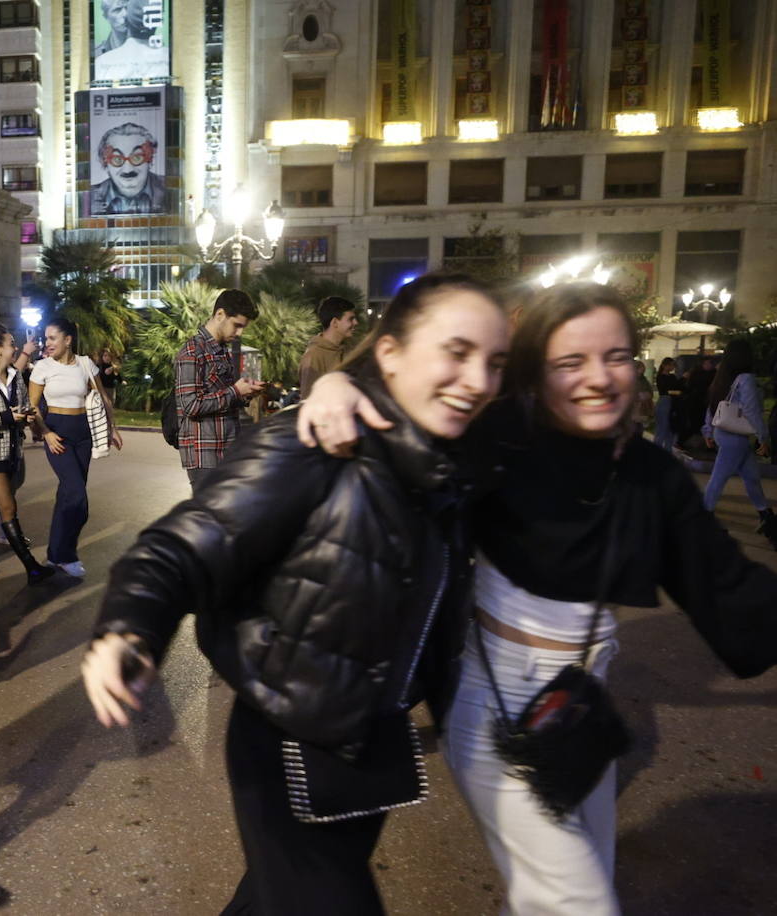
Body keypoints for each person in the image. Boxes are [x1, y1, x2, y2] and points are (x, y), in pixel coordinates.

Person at [297, 281, 777, 915]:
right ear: (537, 372)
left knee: (572, 890)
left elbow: (732, 592)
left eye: (616, 357)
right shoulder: (498, 435)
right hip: (490, 698)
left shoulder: (649, 472)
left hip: (579, 705)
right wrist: (337, 386)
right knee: (577, 902)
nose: (598, 378)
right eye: (569, 362)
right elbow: (406, 404)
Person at [84, 274, 512, 914]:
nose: (477, 379)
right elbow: (180, 547)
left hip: (369, 741)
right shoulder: (313, 440)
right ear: (389, 352)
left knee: (269, 900)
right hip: (288, 741)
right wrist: (129, 628)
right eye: (455, 352)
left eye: (494, 362)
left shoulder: (448, 463)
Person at [28, 315, 123, 578]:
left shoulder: (85, 364)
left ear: (67, 340)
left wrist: (111, 428)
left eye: (52, 338)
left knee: (67, 495)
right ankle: (66, 554)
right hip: (57, 433)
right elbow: (33, 406)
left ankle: (56, 555)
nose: (47, 343)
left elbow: (102, 397)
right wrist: (45, 433)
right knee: (77, 496)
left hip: (84, 434)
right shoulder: (43, 367)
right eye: (46, 338)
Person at [0, 323, 56, 584]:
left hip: (11, 449)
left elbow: (26, 406)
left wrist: (27, 418)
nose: (15, 348)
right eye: (11, 344)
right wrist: (7, 416)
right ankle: (32, 569)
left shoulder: (16, 376)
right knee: (8, 506)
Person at [172, 289, 264, 493]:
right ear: (220, 315)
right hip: (206, 456)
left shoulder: (221, 351)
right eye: (237, 325)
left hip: (227, 450)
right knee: (209, 520)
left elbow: (222, 399)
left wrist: (245, 393)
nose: (239, 333)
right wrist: (234, 391)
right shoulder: (192, 352)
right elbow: (190, 405)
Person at [701, 337, 777, 548]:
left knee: (751, 478)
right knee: (718, 480)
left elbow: (712, 406)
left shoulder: (722, 377)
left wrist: (708, 429)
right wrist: (763, 437)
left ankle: (765, 516)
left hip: (723, 433)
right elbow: (752, 411)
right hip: (735, 438)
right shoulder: (746, 379)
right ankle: (700, 523)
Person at [87, 123, 167, 216]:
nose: (128, 169)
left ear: (150, 160)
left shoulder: (168, 187)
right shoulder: (90, 196)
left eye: (137, 158)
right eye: (117, 159)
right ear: (105, 164)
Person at [297, 296, 358, 398]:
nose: (356, 323)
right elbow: (309, 401)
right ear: (334, 322)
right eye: (350, 319)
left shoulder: (347, 350)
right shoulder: (313, 357)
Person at [653, 356, 682, 452]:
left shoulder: (672, 376)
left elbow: (677, 387)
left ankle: (667, 451)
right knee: (662, 427)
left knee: (670, 428)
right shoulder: (660, 376)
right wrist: (675, 392)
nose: (673, 367)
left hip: (673, 402)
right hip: (665, 401)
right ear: (665, 365)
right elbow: (666, 390)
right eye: (672, 365)